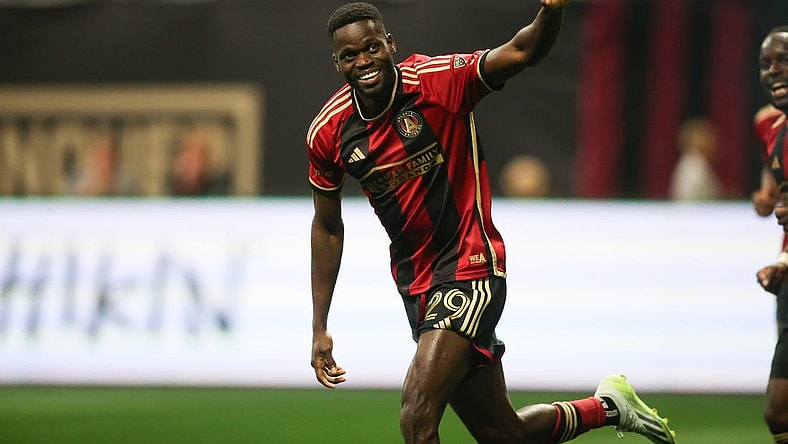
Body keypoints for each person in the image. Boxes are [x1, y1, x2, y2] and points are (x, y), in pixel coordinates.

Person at [306, 2, 676, 443]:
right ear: (337, 63)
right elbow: (328, 226)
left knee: (416, 418)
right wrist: (320, 326)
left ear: (390, 45)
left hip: (470, 264)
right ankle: (608, 407)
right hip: (417, 284)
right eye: (350, 55)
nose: (363, 61)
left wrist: (551, 11)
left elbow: (522, 52)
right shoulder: (329, 133)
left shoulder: (438, 82)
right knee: (503, 434)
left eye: (371, 47)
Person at [753, 25, 788, 444]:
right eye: (766, 64)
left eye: (783, 60)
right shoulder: (775, 130)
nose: (774, 71)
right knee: (779, 411)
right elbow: (773, 194)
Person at [668, 117, 723, 201]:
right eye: (707, 138)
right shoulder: (694, 166)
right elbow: (687, 200)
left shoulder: (697, 163)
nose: (714, 142)